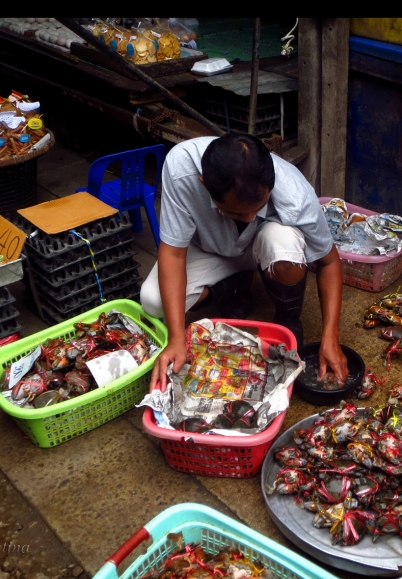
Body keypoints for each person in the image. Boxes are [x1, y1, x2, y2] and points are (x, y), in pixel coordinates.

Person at [141, 133, 349, 392]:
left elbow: (329, 263)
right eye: (236, 212)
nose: (250, 218)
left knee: (283, 242)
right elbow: (173, 253)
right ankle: (234, 285)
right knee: (152, 300)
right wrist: (176, 338)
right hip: (210, 249)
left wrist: (331, 335)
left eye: (258, 207)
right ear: (204, 185)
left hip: (264, 248)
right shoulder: (180, 167)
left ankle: (288, 315)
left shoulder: (296, 194)